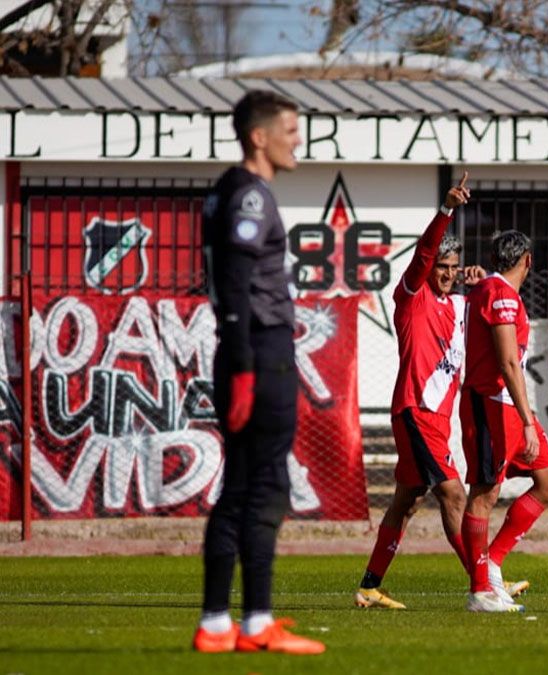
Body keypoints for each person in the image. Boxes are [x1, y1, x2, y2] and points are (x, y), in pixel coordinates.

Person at [193, 90, 325, 654]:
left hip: (244, 351)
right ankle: (253, 623)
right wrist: (247, 365)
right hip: (260, 352)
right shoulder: (251, 196)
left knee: (240, 485)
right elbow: (238, 279)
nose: (299, 141)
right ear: (260, 136)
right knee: (265, 486)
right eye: (292, 130)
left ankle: (220, 622)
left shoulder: (226, 189)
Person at [353, 174, 504, 608]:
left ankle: (368, 586)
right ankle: (483, 584)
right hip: (415, 411)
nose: (448, 275)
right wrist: (446, 210)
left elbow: (494, 316)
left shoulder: (460, 304)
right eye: (443, 267)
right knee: (454, 495)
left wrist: (483, 282)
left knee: (407, 501)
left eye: (453, 269)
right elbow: (422, 254)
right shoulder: (411, 297)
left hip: (435, 421)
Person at [459, 230, 548, 613]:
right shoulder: (501, 294)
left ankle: (494, 563)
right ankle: (480, 591)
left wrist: (524, 415)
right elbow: (507, 361)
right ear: (528, 261)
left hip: (507, 404)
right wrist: (525, 419)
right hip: (492, 404)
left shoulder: (491, 288)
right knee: (485, 494)